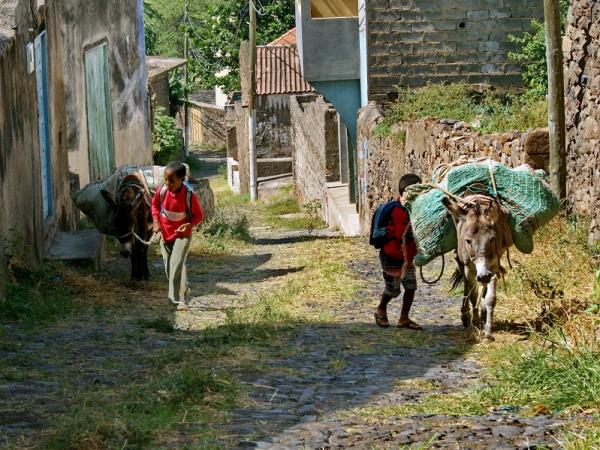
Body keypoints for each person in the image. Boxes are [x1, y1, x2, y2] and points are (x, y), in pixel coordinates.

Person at [151, 161, 204, 309]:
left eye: (171, 181)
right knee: (169, 268)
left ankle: (176, 300)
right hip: (165, 235)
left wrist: (189, 224)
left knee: (176, 264)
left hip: (183, 235)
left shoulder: (189, 196)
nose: (167, 183)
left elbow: (198, 216)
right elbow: (154, 206)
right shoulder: (161, 191)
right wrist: (156, 223)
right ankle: (183, 287)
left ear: (181, 179)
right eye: (165, 179)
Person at [374, 173, 422, 330]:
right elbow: (403, 233)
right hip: (392, 256)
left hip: (407, 258)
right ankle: (381, 308)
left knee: (410, 287)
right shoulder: (398, 211)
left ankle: (404, 318)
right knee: (393, 290)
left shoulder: (412, 209)